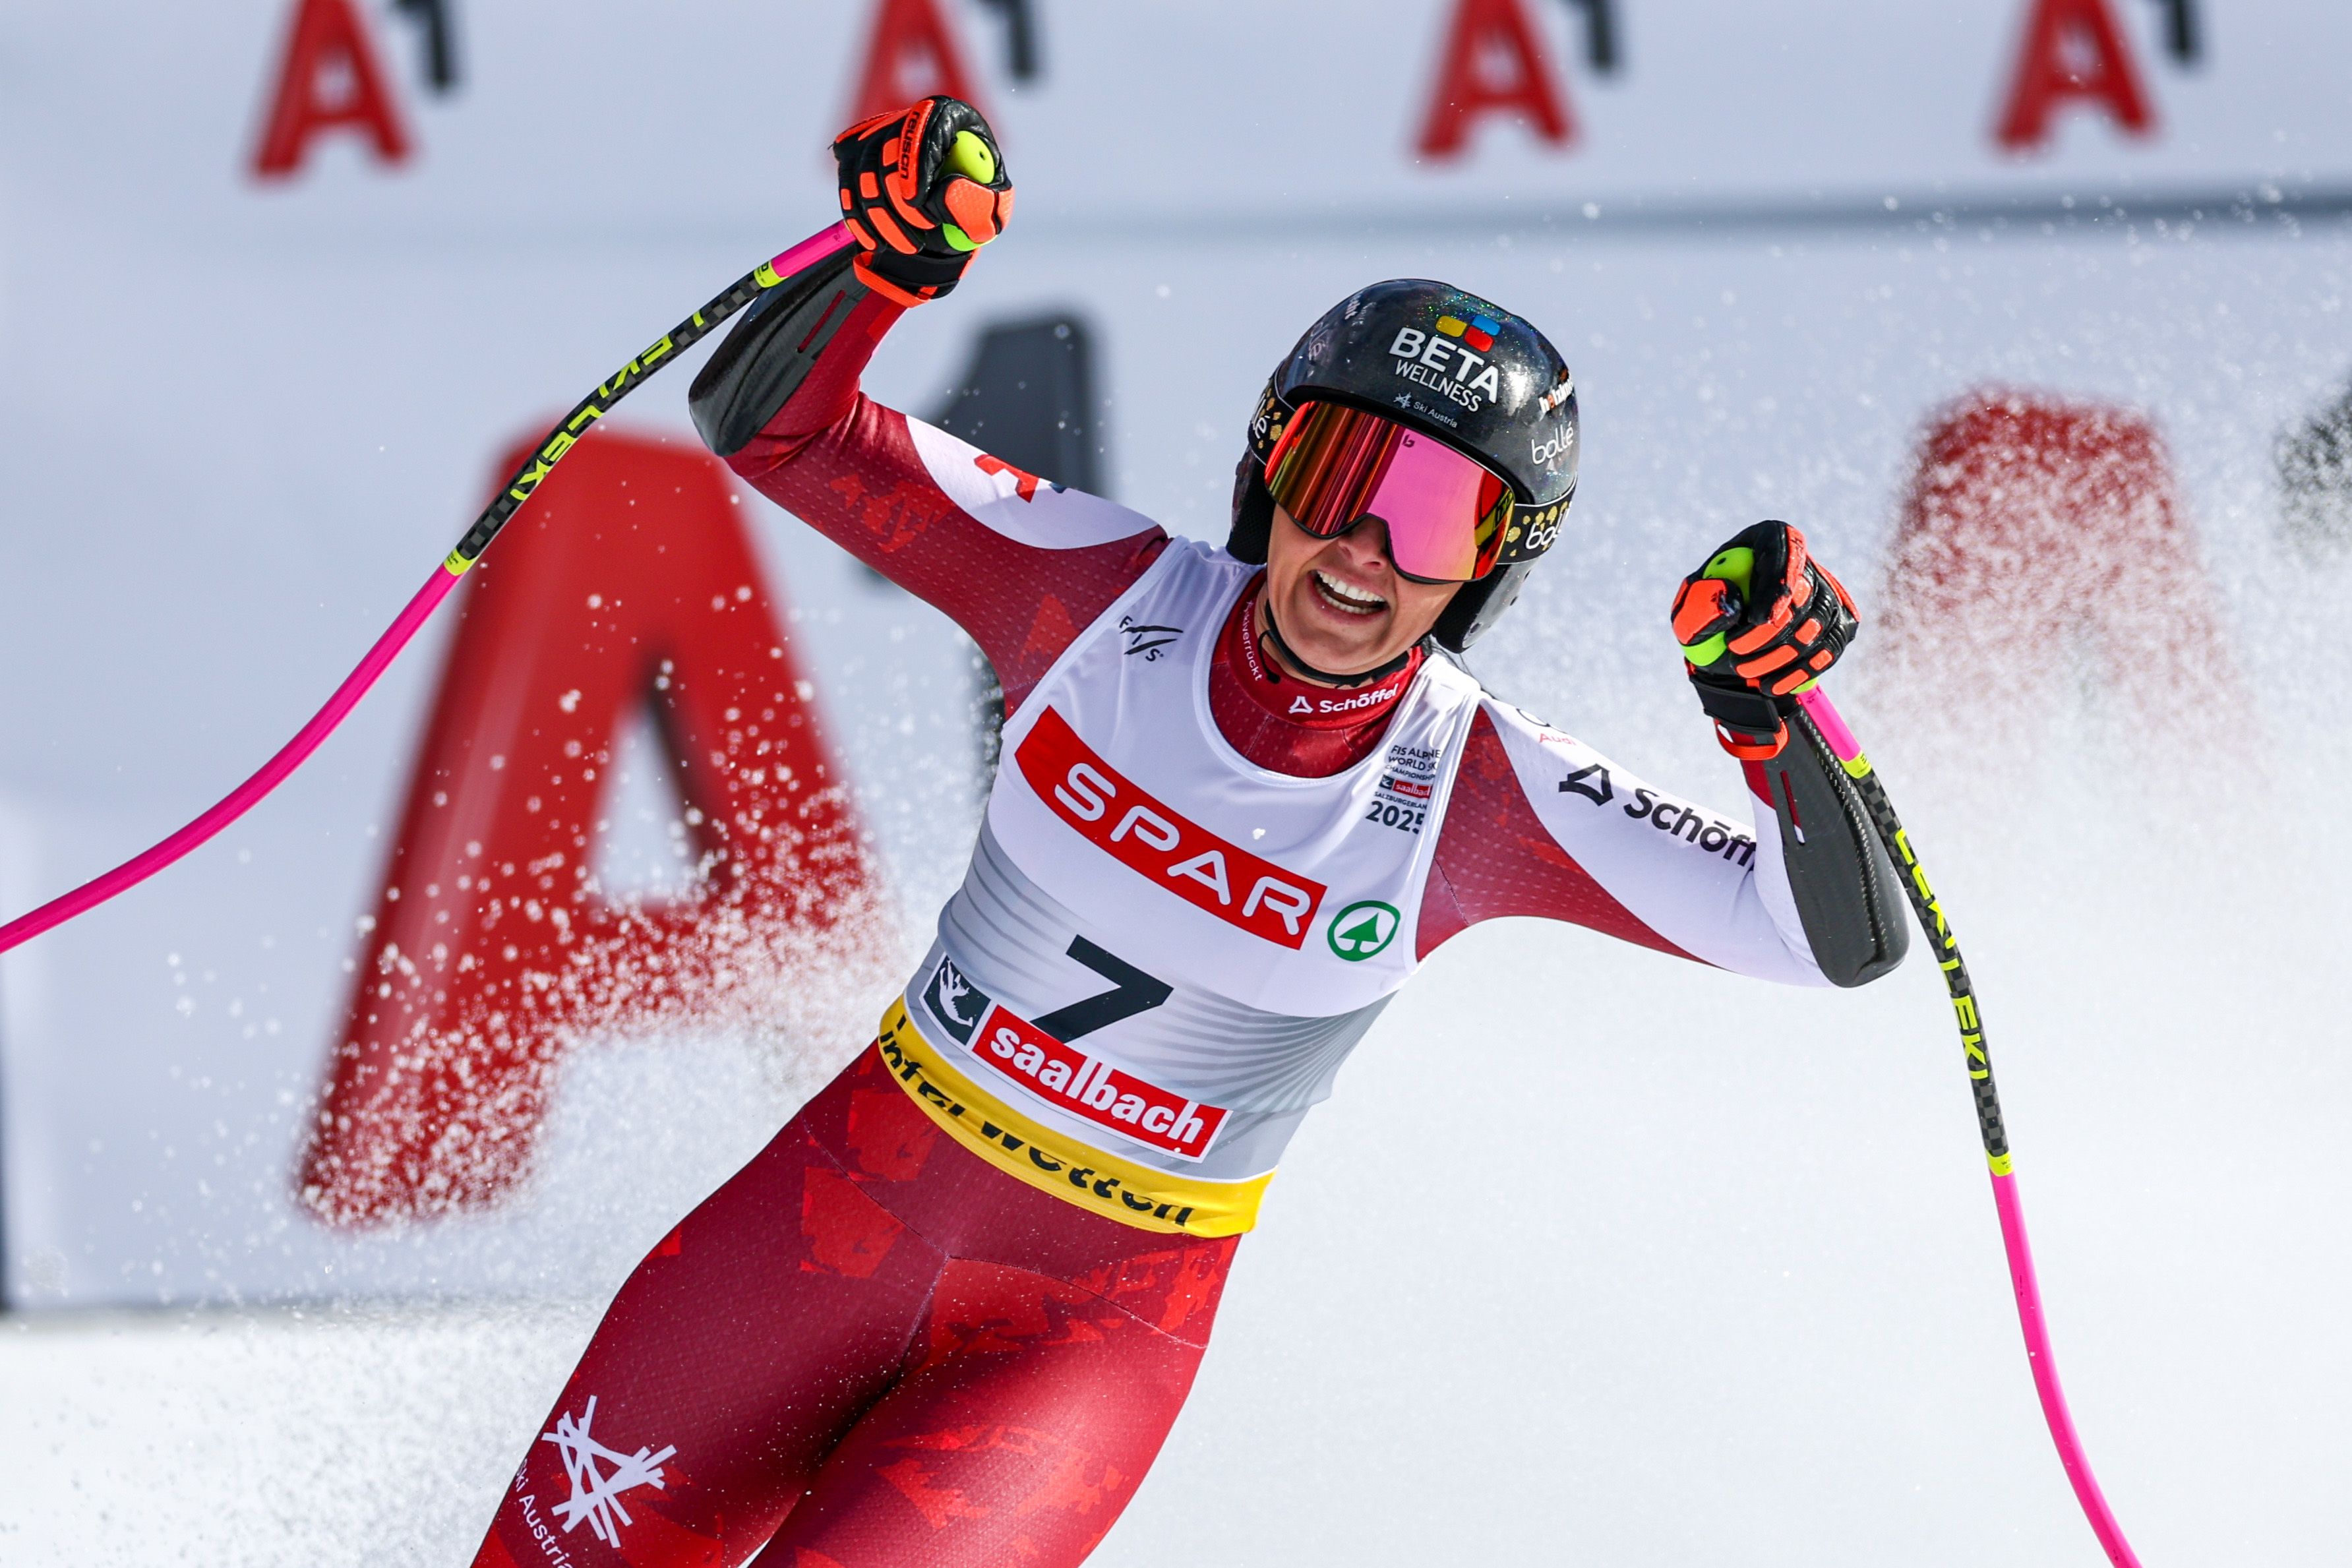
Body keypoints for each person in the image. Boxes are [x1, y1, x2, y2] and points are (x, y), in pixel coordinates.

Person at [468, 96, 1906, 1568]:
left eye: (1433, 519)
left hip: (1071, 1353)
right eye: (1342, 476)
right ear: (1268, 468)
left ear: (1489, 570)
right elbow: (773, 426)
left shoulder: (1476, 790)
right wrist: (880, 265)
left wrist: (1765, 724)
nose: (1362, 548)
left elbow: (1829, 941)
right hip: (817, 1232)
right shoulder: (1093, 592)